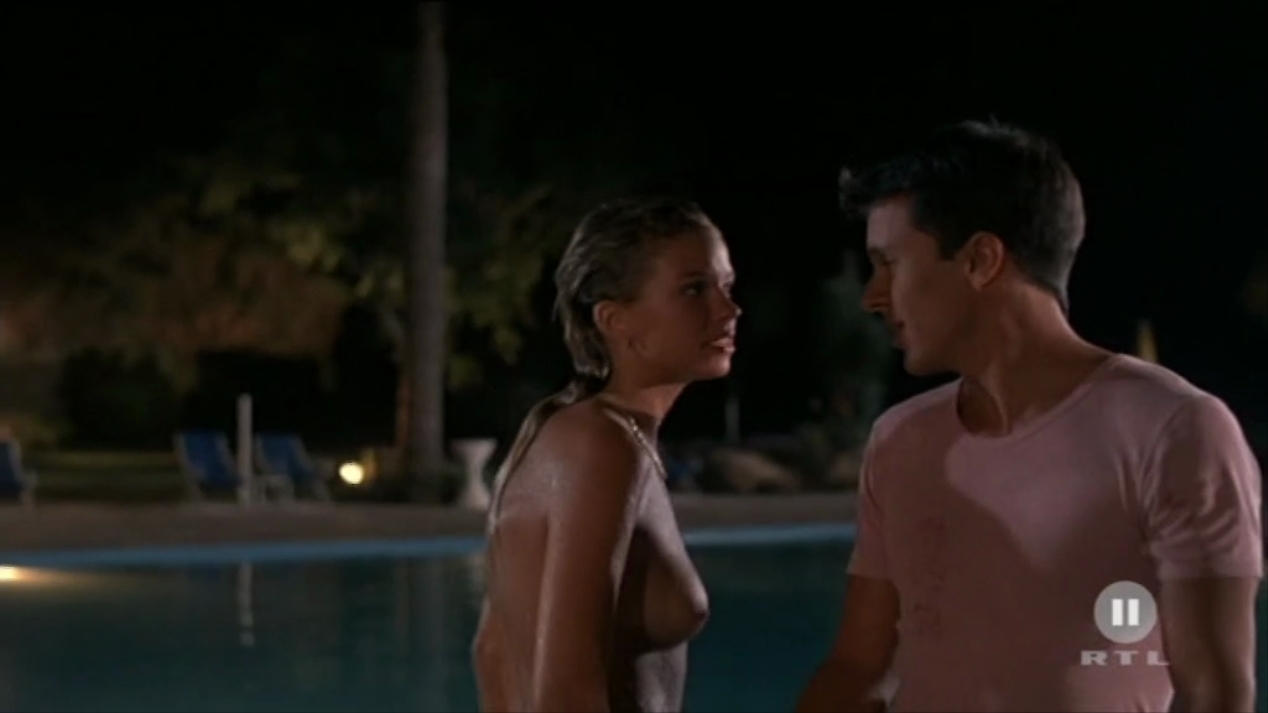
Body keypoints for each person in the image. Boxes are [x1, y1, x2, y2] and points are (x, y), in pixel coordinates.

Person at [796, 120, 1263, 712]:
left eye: (889, 264)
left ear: (980, 259)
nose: (872, 296)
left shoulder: (1172, 432)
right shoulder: (901, 439)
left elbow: (1214, 694)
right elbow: (859, 667)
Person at [472, 197, 741, 712]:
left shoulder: (588, 435)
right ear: (615, 320)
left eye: (726, 286)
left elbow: (492, 652)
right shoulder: (600, 446)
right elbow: (566, 691)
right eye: (694, 289)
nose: (728, 310)